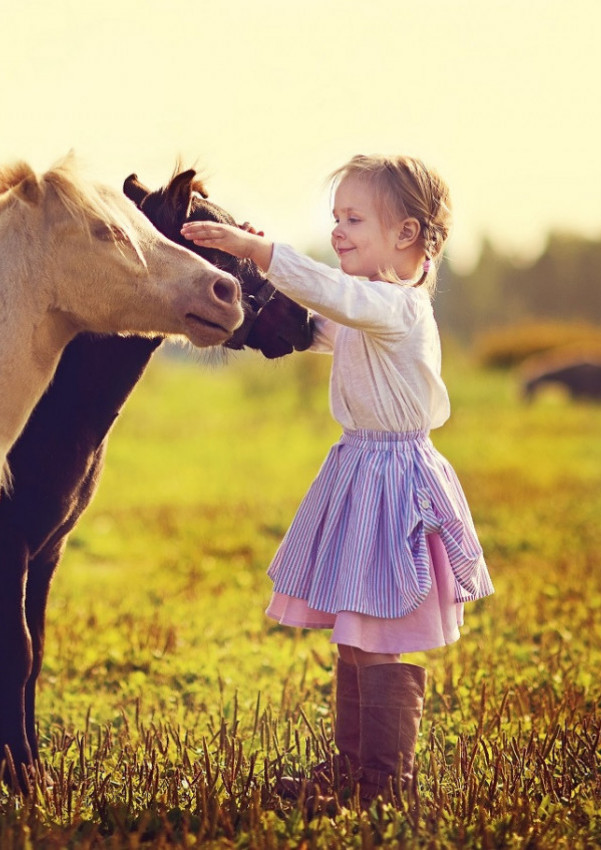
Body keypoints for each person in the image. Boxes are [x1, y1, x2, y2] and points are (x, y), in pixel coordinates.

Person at [181, 154, 493, 810]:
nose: (338, 230)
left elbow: (337, 297)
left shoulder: (395, 308)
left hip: (391, 480)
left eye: (353, 219)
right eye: (335, 219)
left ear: (404, 236)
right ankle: (351, 768)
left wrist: (261, 251)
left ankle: (382, 782)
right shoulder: (368, 311)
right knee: (354, 633)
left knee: (376, 633)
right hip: (360, 470)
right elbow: (316, 320)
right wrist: (250, 282)